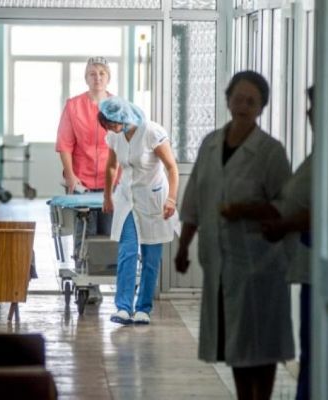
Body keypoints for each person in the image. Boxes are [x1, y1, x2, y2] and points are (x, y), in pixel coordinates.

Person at [175, 70, 294, 400]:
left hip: (260, 265)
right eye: (238, 99)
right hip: (219, 263)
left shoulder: (270, 151)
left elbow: (285, 206)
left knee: (262, 345)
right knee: (234, 344)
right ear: (227, 100)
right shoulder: (211, 144)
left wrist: (246, 210)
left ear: (261, 107)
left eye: (251, 102)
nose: (243, 106)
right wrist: (183, 247)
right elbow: (194, 200)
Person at [98, 96, 179, 325]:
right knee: (128, 252)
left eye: (112, 123)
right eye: (107, 124)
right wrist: (107, 196)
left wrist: (172, 199)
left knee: (151, 257)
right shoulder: (115, 136)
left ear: (123, 117)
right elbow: (111, 166)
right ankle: (123, 308)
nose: (110, 128)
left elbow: (171, 167)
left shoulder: (151, 132)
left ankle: (143, 308)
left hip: (153, 200)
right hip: (127, 200)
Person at [261, 86, 315, 400]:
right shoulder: (320, 152)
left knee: (317, 355)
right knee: (311, 354)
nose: (308, 113)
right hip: (306, 266)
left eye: (313, 106)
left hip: (321, 270)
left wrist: (284, 224)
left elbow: (327, 212)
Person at [55, 56, 113, 303]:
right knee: (84, 232)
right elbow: (65, 143)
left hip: (112, 181)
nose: (97, 77)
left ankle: (98, 280)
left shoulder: (117, 106)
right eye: (92, 73)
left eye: (101, 73)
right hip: (82, 181)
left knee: (106, 233)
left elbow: (126, 142)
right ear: (86, 77)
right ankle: (86, 281)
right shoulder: (74, 106)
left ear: (108, 77)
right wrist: (71, 176)